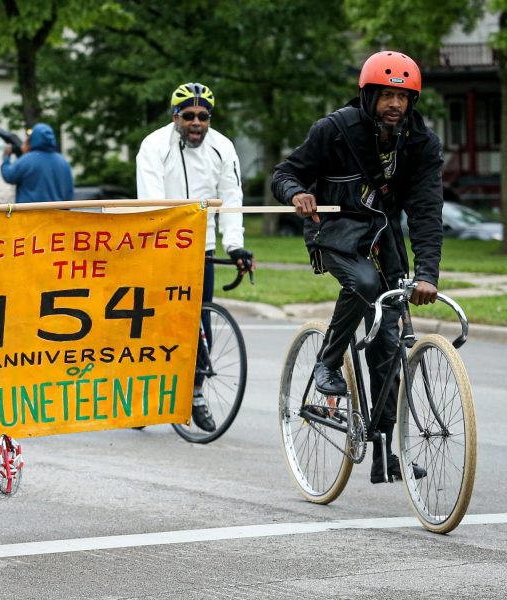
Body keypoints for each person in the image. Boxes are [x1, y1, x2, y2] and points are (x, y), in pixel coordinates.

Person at [271, 51, 442, 484]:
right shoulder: (334, 129)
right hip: (335, 234)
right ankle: (327, 363)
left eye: (403, 97)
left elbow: (425, 211)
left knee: (388, 343)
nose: (395, 105)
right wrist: (296, 194)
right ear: (368, 96)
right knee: (364, 283)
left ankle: (386, 456)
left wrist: (427, 274)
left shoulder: (421, 143)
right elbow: (286, 172)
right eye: (386, 95)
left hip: (384, 241)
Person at [135, 82, 252, 432]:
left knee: (201, 323)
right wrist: (165, 240)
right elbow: (151, 201)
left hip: (201, 246)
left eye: (203, 116)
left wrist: (235, 246)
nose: (197, 122)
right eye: (189, 116)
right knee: (156, 325)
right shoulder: (155, 146)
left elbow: (231, 199)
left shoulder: (222, 148)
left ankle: (196, 391)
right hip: (161, 246)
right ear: (175, 117)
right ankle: (145, 394)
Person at [0, 123, 74, 203]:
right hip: (57, 213)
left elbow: (9, 176)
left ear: (34, 138)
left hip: (31, 213)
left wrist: (6, 157)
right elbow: (69, 193)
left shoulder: (27, 160)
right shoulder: (63, 162)